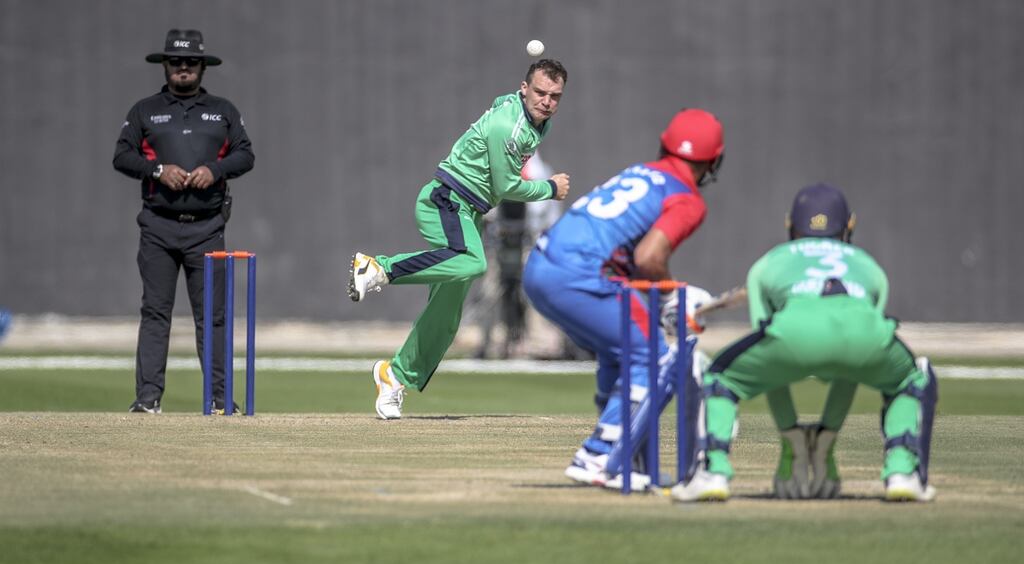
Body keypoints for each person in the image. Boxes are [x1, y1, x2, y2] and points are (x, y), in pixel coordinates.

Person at [671, 183, 938, 503]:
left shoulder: (768, 263)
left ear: (790, 226)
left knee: (716, 378)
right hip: (864, 338)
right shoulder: (870, 268)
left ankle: (711, 472)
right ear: (849, 226)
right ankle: (903, 473)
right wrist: (826, 438)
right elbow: (851, 365)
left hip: (793, 334)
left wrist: (792, 440)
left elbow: (770, 360)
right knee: (908, 381)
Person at [348, 59, 571, 419]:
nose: (547, 101)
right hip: (446, 201)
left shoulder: (530, 118)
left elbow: (502, 102)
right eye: (540, 92)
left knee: (447, 314)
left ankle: (394, 377)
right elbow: (505, 186)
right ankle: (379, 267)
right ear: (524, 88)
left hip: (468, 213)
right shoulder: (508, 127)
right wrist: (550, 187)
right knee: (472, 262)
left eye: (555, 96)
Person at [521, 108, 724, 487]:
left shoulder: (639, 172)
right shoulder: (687, 199)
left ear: (665, 143)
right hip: (578, 274)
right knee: (654, 358)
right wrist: (673, 295)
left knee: (624, 353)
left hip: (540, 266)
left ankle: (627, 458)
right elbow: (650, 258)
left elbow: (629, 259)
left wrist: (663, 297)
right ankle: (599, 455)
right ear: (714, 161)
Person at [113, 29, 254, 414]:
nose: (184, 68)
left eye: (191, 62)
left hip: (207, 227)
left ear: (202, 67)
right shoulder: (144, 110)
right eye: (177, 62)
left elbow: (245, 155)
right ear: (165, 65)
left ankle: (221, 398)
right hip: (158, 225)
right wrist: (158, 170)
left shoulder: (222, 111)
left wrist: (215, 169)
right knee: (155, 311)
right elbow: (122, 157)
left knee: (212, 317)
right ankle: (147, 399)